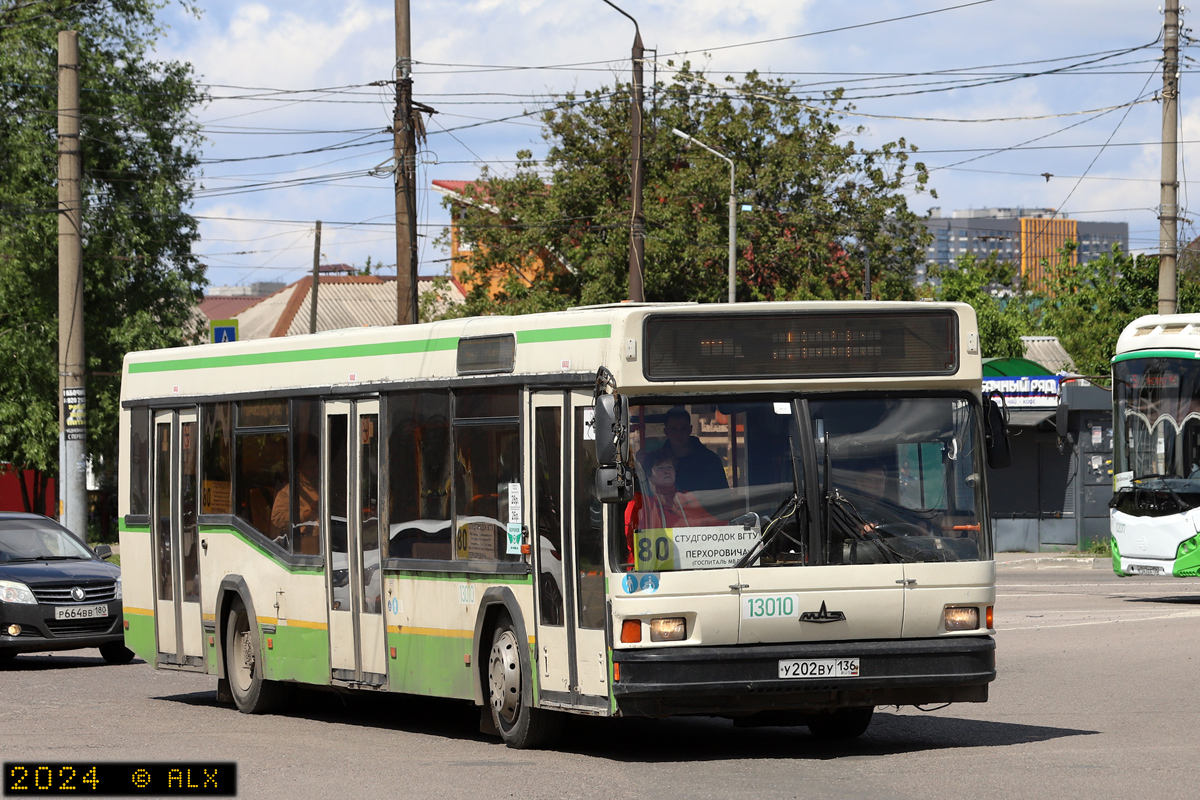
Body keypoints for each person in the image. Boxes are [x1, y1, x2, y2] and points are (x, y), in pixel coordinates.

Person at [624, 449, 724, 563]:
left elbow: (712, 524)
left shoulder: (688, 498)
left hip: (689, 564)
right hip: (650, 571)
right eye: (660, 468)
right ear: (649, 475)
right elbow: (633, 540)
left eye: (670, 467)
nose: (667, 471)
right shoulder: (640, 502)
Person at [657, 407, 728, 492]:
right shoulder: (656, 462)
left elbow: (723, 496)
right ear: (666, 432)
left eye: (683, 429)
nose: (679, 434)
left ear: (690, 429)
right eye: (674, 429)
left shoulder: (711, 461)